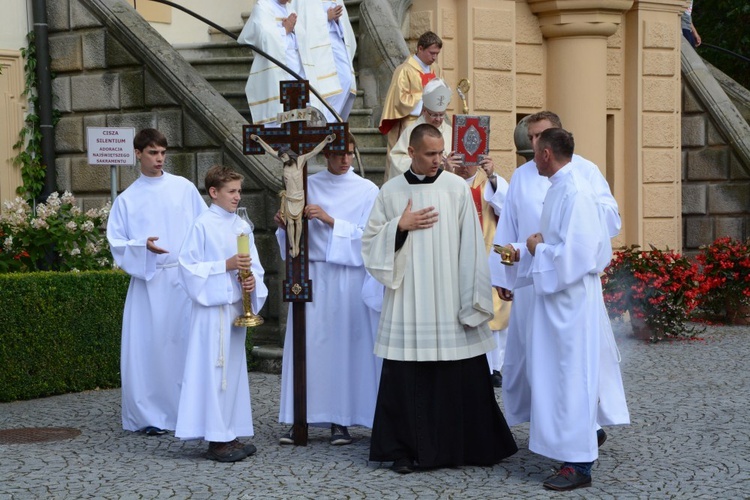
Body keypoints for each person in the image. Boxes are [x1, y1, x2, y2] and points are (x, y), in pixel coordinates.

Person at [362, 123, 518, 474]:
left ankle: (466, 446)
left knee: (459, 373)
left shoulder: (455, 189)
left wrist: (471, 298)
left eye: (440, 152)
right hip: (409, 299)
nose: (438, 160)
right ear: (412, 153)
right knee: (405, 377)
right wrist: (399, 227)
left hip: (450, 295)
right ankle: (403, 450)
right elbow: (370, 245)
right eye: (430, 154)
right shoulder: (390, 192)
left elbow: (472, 246)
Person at [490, 111, 622, 435]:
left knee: (570, 360)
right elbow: (509, 225)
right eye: (531, 137)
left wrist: (566, 234)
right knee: (535, 359)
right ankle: (550, 423)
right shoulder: (523, 175)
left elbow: (610, 219)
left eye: (539, 137)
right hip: (530, 277)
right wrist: (502, 274)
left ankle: (585, 424)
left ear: (555, 139)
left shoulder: (583, 174)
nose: (533, 143)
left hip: (567, 276)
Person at [524, 128, 629, 490]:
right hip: (558, 302)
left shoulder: (577, 192)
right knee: (556, 377)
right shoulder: (560, 187)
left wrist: (538, 249)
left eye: (535, 151)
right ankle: (568, 449)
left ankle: (580, 465)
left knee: (573, 378)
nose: (532, 157)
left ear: (548, 154)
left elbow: (580, 257)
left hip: (573, 302)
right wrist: (532, 249)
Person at [275, 133, 381, 445]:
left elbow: (371, 237)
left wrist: (331, 220)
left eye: (349, 153)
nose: (345, 160)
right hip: (313, 273)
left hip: (348, 278)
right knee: (308, 346)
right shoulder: (307, 184)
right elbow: (292, 234)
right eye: (338, 154)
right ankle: (301, 418)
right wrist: (285, 224)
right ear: (324, 156)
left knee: (344, 349)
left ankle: (342, 420)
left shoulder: (367, 190)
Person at [106, 128, 207, 435]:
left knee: (182, 345)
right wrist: (142, 247)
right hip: (149, 283)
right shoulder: (127, 199)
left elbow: (204, 226)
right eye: (152, 153)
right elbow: (116, 241)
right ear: (138, 154)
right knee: (149, 350)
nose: (159, 159)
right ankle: (150, 416)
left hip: (181, 279)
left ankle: (186, 412)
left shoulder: (183, 188)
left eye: (163, 153)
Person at [175, 165, 268, 462]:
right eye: (231, 191)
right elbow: (187, 269)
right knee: (214, 374)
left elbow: (256, 267)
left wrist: (252, 281)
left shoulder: (241, 227)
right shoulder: (202, 224)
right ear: (214, 193)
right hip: (210, 314)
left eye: (239, 191)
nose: (237, 196)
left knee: (233, 374)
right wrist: (223, 266)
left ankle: (229, 431)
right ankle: (216, 439)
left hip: (233, 312)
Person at [452, 157, 511, 389]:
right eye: (461, 158)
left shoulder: (490, 183)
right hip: (457, 255)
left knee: (494, 311)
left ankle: (495, 367)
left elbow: (507, 208)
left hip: (488, 253)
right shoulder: (448, 181)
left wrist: (493, 177)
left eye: (471, 158)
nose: (465, 164)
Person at [238, 0, 326, 125]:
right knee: (279, 117)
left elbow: (302, 36)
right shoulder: (263, 6)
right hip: (276, 71)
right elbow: (262, 37)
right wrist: (284, 30)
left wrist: (293, 31)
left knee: (303, 114)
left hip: (298, 68)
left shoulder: (290, 9)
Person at [250, 133, 335, 258]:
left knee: (298, 222)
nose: (282, 159)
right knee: (290, 223)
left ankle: (297, 245)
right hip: (289, 197)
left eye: (283, 156)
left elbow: (314, 151)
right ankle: (293, 246)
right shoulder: (284, 163)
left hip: (299, 197)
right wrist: (259, 140)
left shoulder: (300, 161)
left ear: (288, 154)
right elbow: (269, 150)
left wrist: (325, 141)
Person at [378, 31, 443, 168]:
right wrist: (425, 101)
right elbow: (399, 100)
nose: (434, 57)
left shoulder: (435, 69)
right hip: (409, 123)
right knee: (406, 160)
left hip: (431, 122)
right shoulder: (404, 70)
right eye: (432, 53)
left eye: (437, 54)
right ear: (420, 48)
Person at [296, 0, 357, 120]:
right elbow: (301, 21)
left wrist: (337, 20)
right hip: (317, 46)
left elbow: (344, 22)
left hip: (336, 39)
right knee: (323, 86)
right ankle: (325, 123)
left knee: (347, 79)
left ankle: (329, 121)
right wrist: (326, 17)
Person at [386, 77, 452, 181]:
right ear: (424, 110)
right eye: (434, 115)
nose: (438, 119)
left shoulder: (450, 132)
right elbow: (397, 160)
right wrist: (426, 163)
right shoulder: (412, 131)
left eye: (441, 114)